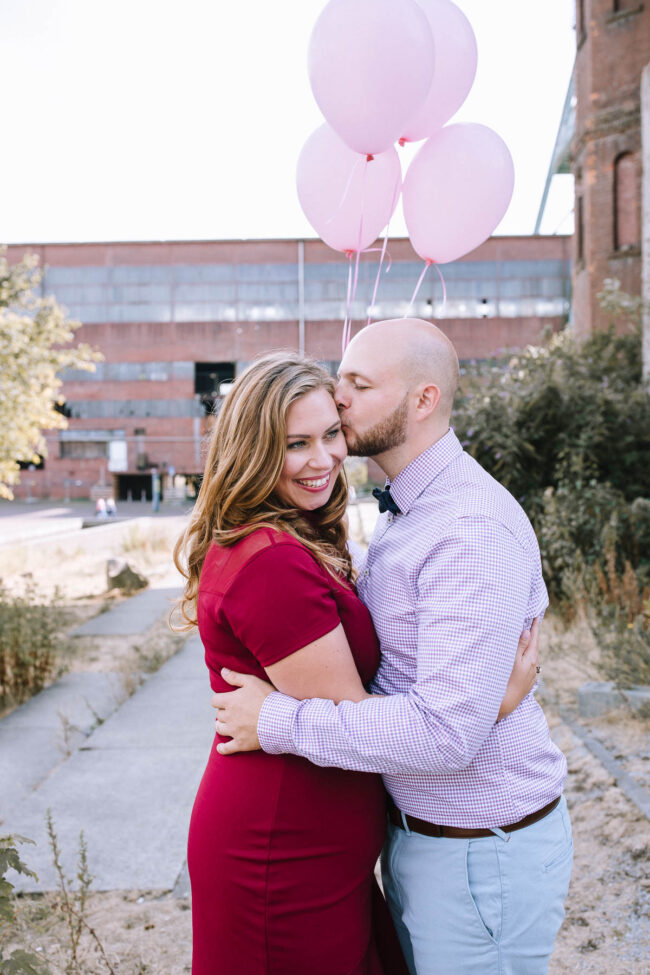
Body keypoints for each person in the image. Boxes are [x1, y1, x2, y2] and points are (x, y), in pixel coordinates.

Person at [211, 321, 572, 975]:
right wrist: (485, 702)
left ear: (422, 400)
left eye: (358, 383)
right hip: (423, 843)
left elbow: (443, 733)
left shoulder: (467, 529)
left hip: (478, 850)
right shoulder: (407, 511)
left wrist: (275, 719)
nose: (337, 395)